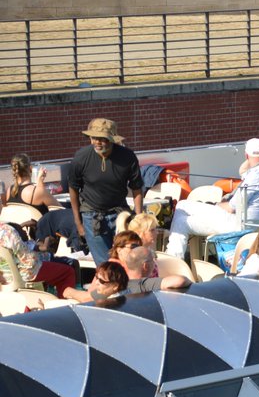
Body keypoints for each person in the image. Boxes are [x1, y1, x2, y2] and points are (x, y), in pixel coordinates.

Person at [164, 138, 259, 257]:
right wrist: (253, 158)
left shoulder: (253, 178)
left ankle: (174, 258)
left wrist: (215, 205)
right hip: (248, 221)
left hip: (237, 223)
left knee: (182, 222)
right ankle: (173, 254)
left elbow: (230, 208)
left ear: (246, 155)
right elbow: (242, 170)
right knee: (182, 205)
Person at [69, 118, 144, 266]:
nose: (97, 142)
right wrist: (79, 223)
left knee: (128, 260)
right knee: (105, 265)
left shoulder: (127, 157)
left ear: (112, 140)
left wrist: (138, 217)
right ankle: (110, 288)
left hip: (120, 214)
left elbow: (137, 188)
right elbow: (73, 189)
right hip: (92, 216)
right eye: (94, 138)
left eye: (102, 139)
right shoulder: (81, 157)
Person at [0, 221, 77, 296]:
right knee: (68, 272)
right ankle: (63, 305)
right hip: (23, 273)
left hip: (4, 275)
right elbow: (24, 257)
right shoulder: (6, 230)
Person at [121, 245, 190, 294]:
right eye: (152, 260)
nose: (155, 263)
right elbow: (180, 280)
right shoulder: (144, 284)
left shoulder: (119, 282)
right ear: (145, 266)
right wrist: (192, 283)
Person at [60, 260, 128, 303]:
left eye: (101, 281)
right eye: (96, 278)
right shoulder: (108, 297)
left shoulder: (113, 304)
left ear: (115, 286)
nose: (96, 283)